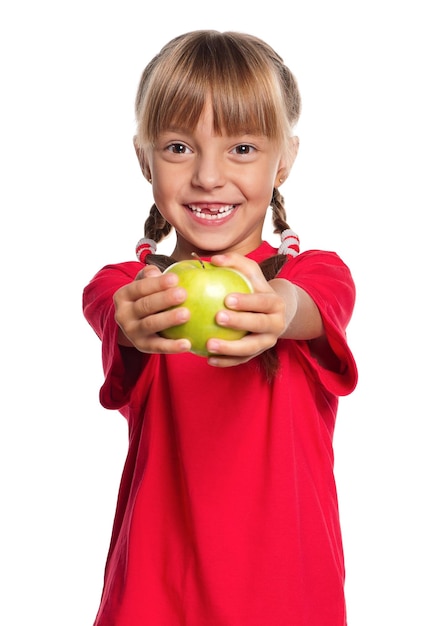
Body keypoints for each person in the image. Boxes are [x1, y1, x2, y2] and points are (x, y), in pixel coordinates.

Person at [83, 30, 358, 626]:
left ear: (284, 159)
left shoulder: (313, 276)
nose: (208, 176)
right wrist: (133, 316)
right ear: (144, 158)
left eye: (242, 149)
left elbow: (312, 302)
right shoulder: (133, 286)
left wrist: (278, 310)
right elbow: (112, 306)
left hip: (289, 602)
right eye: (179, 147)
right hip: (153, 602)